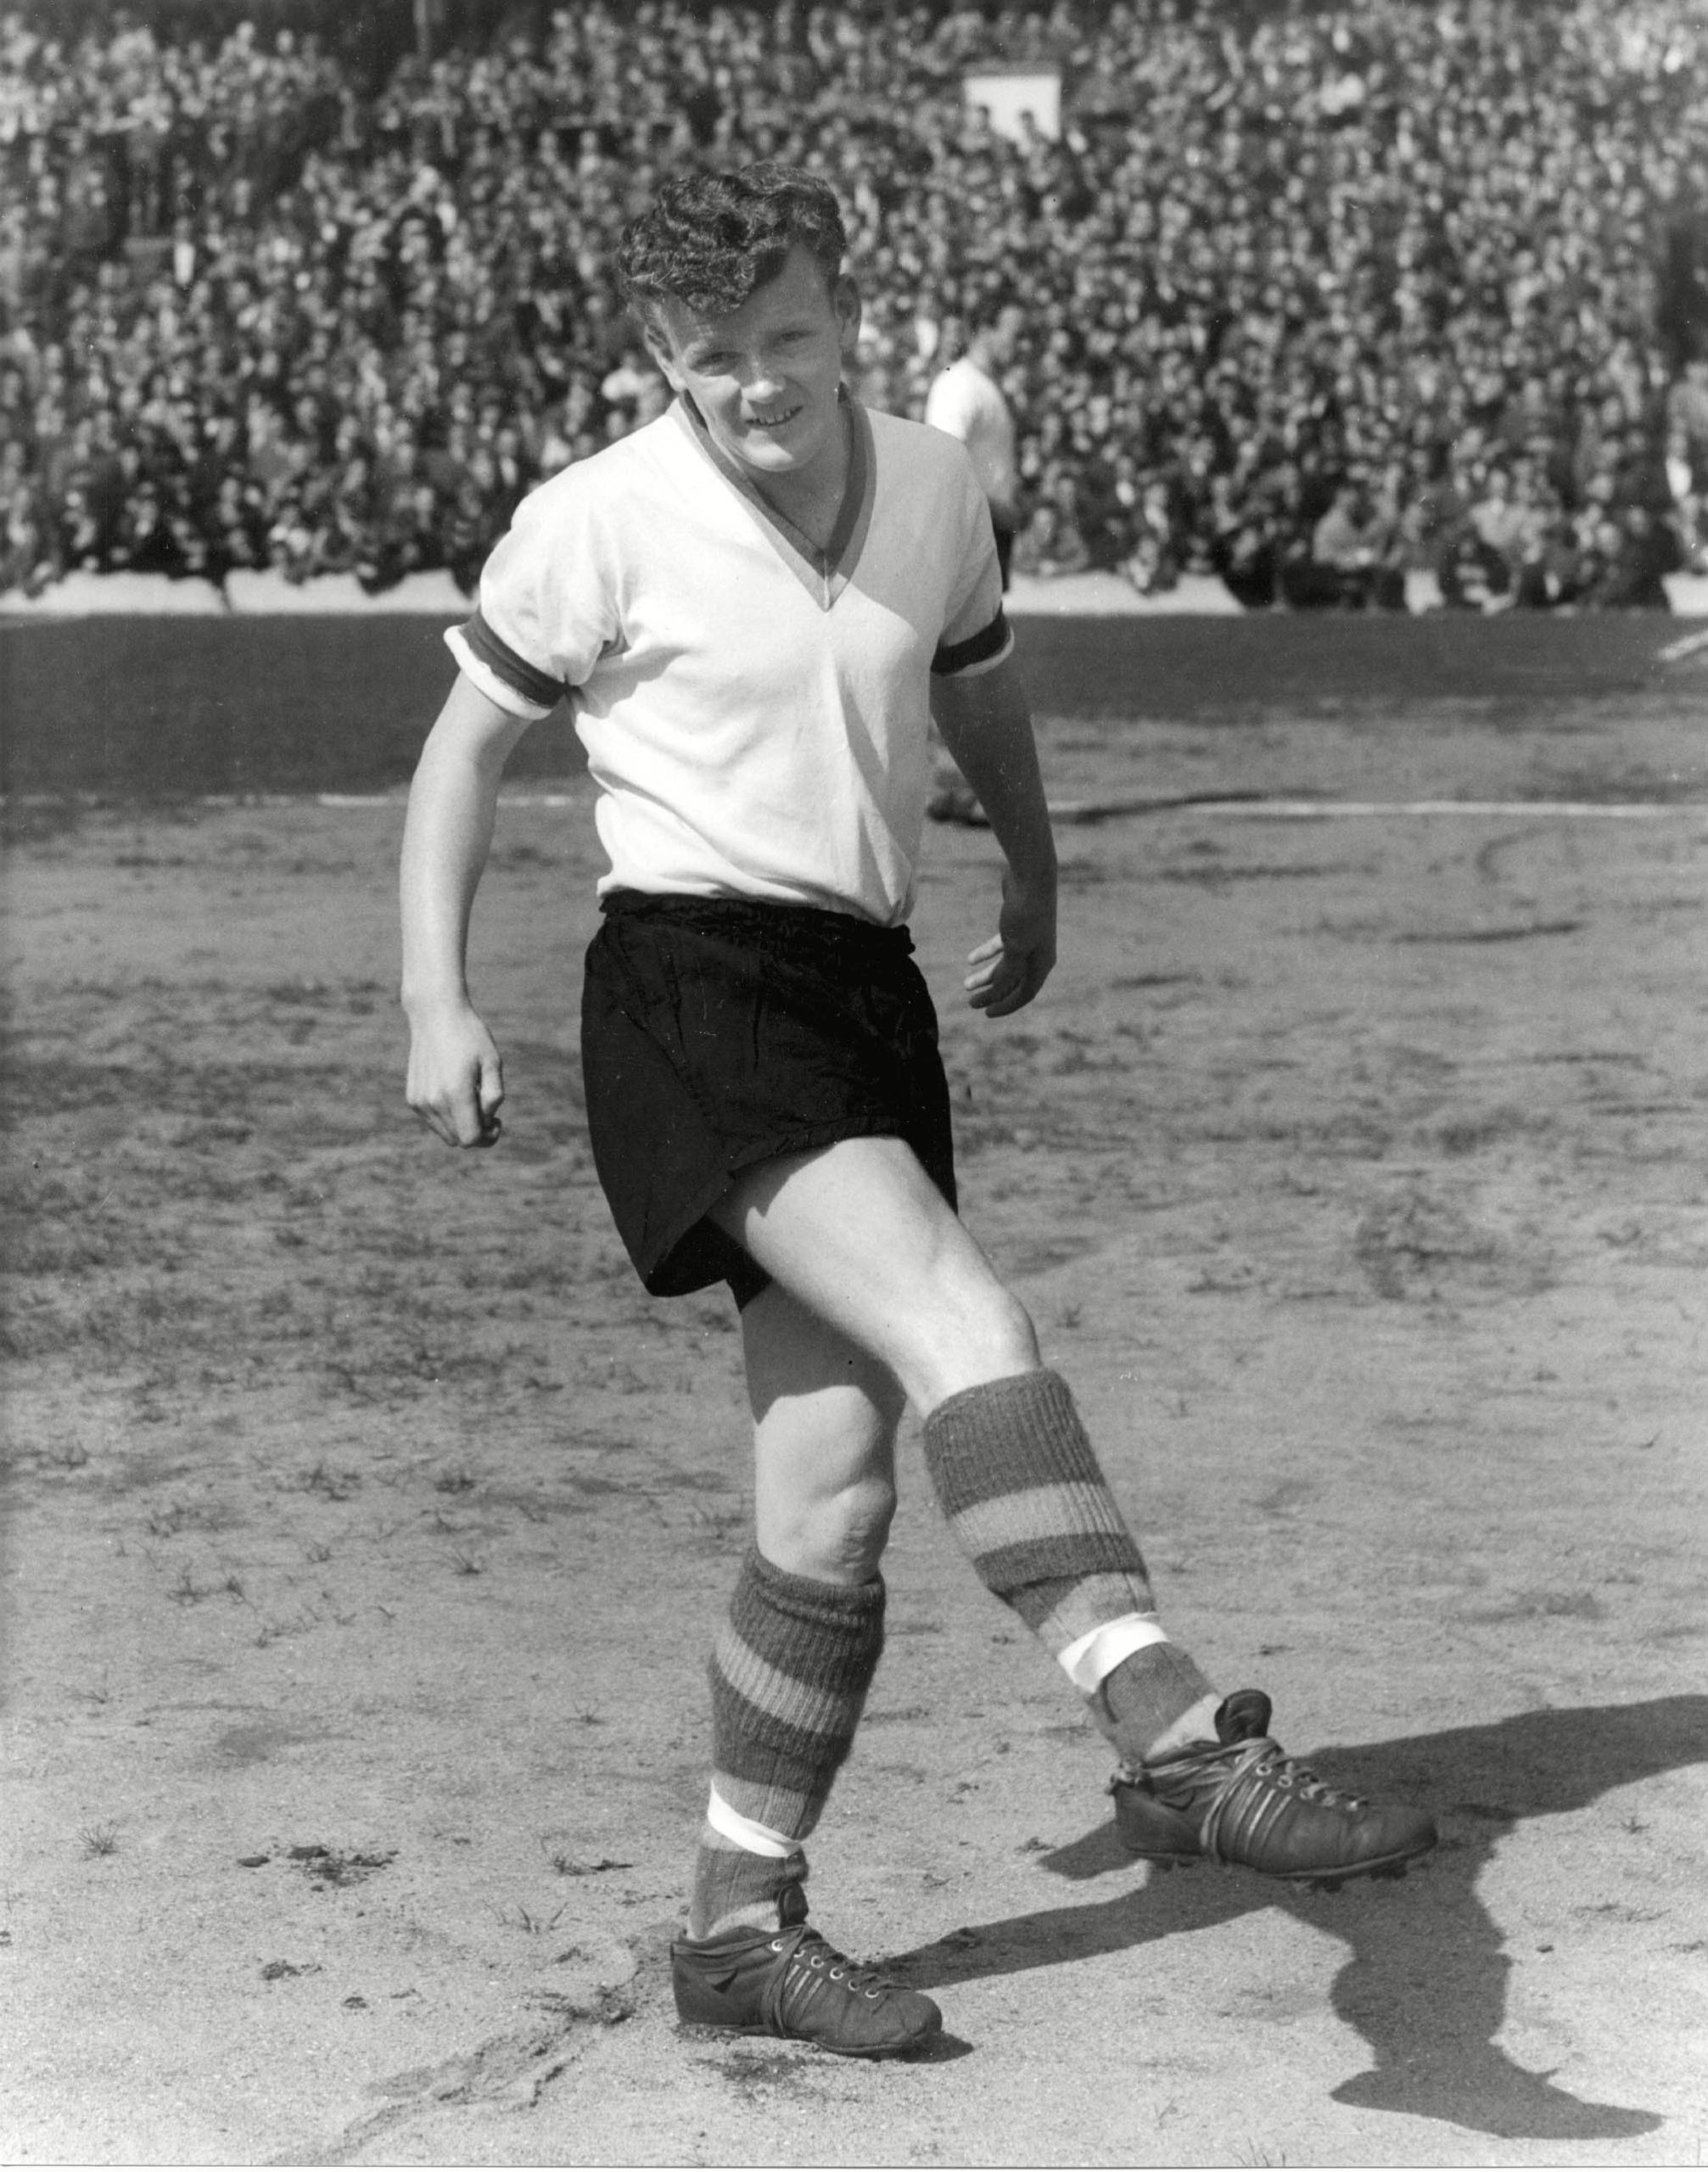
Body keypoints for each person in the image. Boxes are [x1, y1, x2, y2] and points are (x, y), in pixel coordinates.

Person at [399, 164, 1436, 2064]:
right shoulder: (596, 519)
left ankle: (735, 1917)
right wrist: (434, 994)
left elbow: (979, 690)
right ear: (661, 355)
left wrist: (1033, 875)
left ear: (847, 317)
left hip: (864, 989)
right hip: (695, 993)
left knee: (831, 1496)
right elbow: (464, 747)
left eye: (789, 338)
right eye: (715, 357)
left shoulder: (933, 484)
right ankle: (1176, 1732)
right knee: (973, 1326)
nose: (761, 384)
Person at [923, 299, 1025, 590]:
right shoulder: (959, 384)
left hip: (989, 530)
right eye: (1015, 335)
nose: (1021, 346)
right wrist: (999, 510)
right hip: (968, 534)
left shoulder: (987, 385)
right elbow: (944, 468)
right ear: (985, 331)